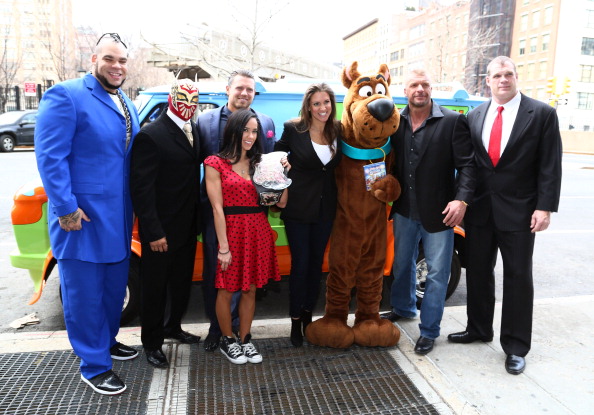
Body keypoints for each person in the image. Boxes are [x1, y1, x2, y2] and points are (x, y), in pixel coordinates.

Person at [34, 33, 140, 395]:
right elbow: (50, 157)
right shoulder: (66, 95)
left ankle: (106, 342)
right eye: (110, 58)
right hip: (81, 217)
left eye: (123, 60)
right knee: (84, 294)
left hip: (119, 216)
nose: (117, 66)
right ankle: (93, 366)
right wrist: (64, 208)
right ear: (94, 58)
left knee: (112, 290)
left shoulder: (125, 100)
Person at [448, 56, 562, 375]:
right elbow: (469, 166)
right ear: (488, 80)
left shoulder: (541, 114)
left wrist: (545, 207)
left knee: (517, 279)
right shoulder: (474, 116)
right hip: (481, 211)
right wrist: (462, 201)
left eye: (508, 74)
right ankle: (478, 328)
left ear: (516, 77)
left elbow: (549, 166)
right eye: (497, 75)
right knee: (479, 273)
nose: (503, 80)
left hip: (521, 212)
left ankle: (515, 346)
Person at [380, 68, 475, 355]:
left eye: (425, 84)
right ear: (405, 91)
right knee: (401, 265)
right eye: (413, 85)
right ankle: (404, 307)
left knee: (436, 274)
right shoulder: (394, 121)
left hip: (440, 213)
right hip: (404, 210)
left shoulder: (452, 121)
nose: (419, 89)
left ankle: (429, 331)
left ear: (431, 89)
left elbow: (468, 166)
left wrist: (461, 201)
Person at [197, 69, 276, 352]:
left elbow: (266, 169)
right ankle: (218, 331)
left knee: (249, 283)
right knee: (218, 277)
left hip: (253, 217)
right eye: (239, 88)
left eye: (250, 90)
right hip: (217, 215)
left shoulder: (265, 122)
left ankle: (241, 336)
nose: (244, 94)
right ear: (227, 88)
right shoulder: (204, 121)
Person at [204, 109, 287, 364]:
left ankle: (245, 339)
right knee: (227, 289)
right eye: (246, 130)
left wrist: (283, 175)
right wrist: (224, 247)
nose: (250, 136)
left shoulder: (261, 163)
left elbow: (280, 203)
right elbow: (217, 208)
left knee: (250, 289)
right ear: (234, 131)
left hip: (258, 230)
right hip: (231, 230)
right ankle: (227, 340)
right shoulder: (214, 162)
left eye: (254, 131)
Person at [130, 78, 202, 369]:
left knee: (181, 284)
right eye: (183, 99)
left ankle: (173, 327)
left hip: (187, 226)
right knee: (155, 289)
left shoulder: (193, 129)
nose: (189, 106)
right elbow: (142, 190)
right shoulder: (151, 135)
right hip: (161, 231)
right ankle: (152, 343)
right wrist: (153, 232)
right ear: (172, 98)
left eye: (193, 101)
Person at [273, 83, 342, 347]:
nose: (322, 108)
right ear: (308, 106)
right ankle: (294, 321)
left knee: (316, 267)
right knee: (300, 265)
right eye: (317, 103)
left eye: (326, 102)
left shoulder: (339, 130)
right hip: (298, 209)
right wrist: (283, 162)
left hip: (326, 210)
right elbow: (274, 154)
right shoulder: (294, 129)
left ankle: (307, 316)